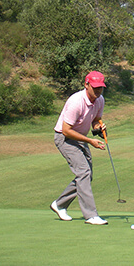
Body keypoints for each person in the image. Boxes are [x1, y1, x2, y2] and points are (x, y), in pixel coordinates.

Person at [50, 71, 109, 225]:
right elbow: (66, 130)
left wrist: (99, 127)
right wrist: (90, 140)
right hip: (65, 138)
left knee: (86, 176)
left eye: (100, 88)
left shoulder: (100, 100)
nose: (98, 91)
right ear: (86, 85)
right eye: (95, 87)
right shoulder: (76, 101)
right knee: (83, 172)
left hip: (80, 138)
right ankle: (90, 215)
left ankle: (60, 204)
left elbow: (95, 119)